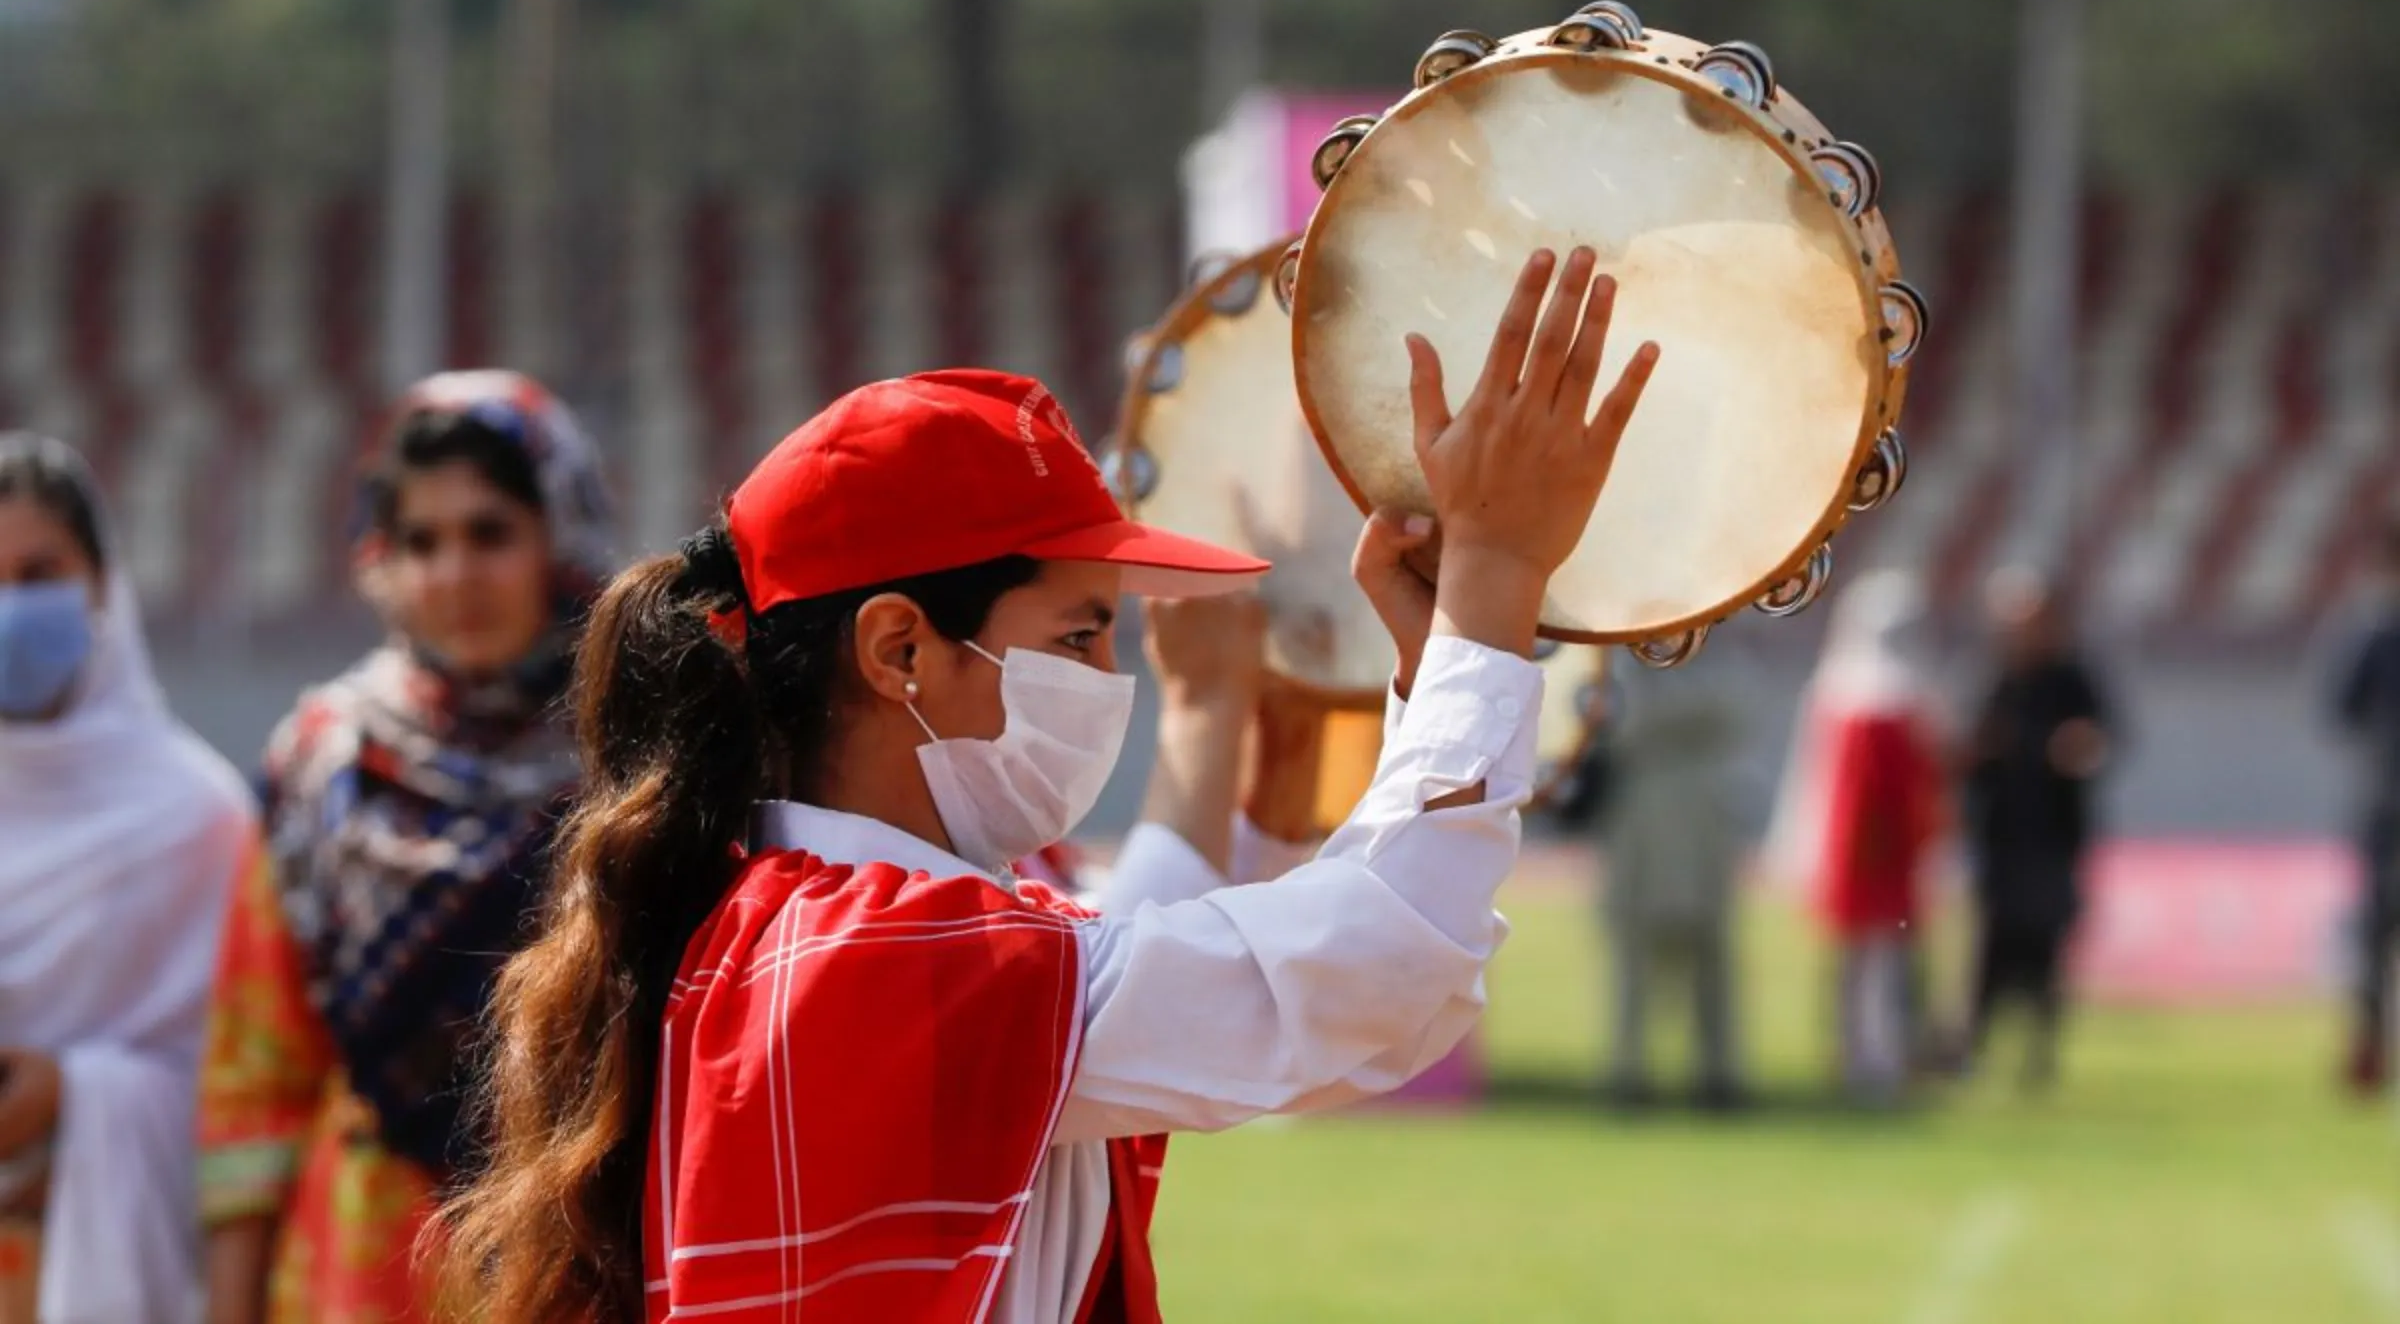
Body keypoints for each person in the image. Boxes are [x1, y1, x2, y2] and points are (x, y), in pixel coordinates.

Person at [440, 246, 1659, 1324]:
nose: (1107, 677)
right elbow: (1374, 974)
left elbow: (1192, 966)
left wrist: (1266, 697)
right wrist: (1492, 586)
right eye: (1081, 636)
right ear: (900, 649)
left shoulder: (806, 916)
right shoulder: (884, 951)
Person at [197, 372, 614, 1324]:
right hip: (355, 1263)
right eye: (420, 541)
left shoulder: (629, 755)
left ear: (559, 537)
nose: (453, 574)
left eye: (490, 533)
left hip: (576, 1252)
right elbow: (256, 1072)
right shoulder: (324, 764)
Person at [0, 434, 253, 1324]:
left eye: (39, 574)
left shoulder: (200, 820)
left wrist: (73, 1096)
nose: (10, 607)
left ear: (104, 584)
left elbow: (253, 1092)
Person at [1766, 570, 1948, 1106]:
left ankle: (1877, 1055)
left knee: (1877, 961)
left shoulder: (1850, 691)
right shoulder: (1870, 697)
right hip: (1869, 850)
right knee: (1874, 961)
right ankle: (1868, 1056)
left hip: (1871, 851)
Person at [1961, 568, 2114, 1092]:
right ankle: (1975, 1047)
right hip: (2000, 835)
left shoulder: (2073, 679)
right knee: (1992, 947)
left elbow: (2103, 740)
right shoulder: (1994, 677)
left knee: (2046, 947)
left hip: (2054, 835)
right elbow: (1968, 747)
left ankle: (2038, 1055)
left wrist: (2079, 747)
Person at [1594, 649, 1763, 1111]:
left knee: (1712, 951)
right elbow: (1625, 721)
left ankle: (1718, 1073)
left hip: (1703, 813)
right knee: (1634, 949)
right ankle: (1629, 1071)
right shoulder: (1626, 654)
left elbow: (1737, 708)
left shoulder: (1716, 650)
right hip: (1643, 814)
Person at [2330, 519, 2400, 1094]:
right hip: (2389, 806)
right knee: (2377, 932)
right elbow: (2342, 708)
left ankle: (2371, 1043)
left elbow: (2342, 710)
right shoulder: (2374, 634)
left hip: (2387, 803)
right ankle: (2371, 1043)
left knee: (2376, 934)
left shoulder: (2373, 633)